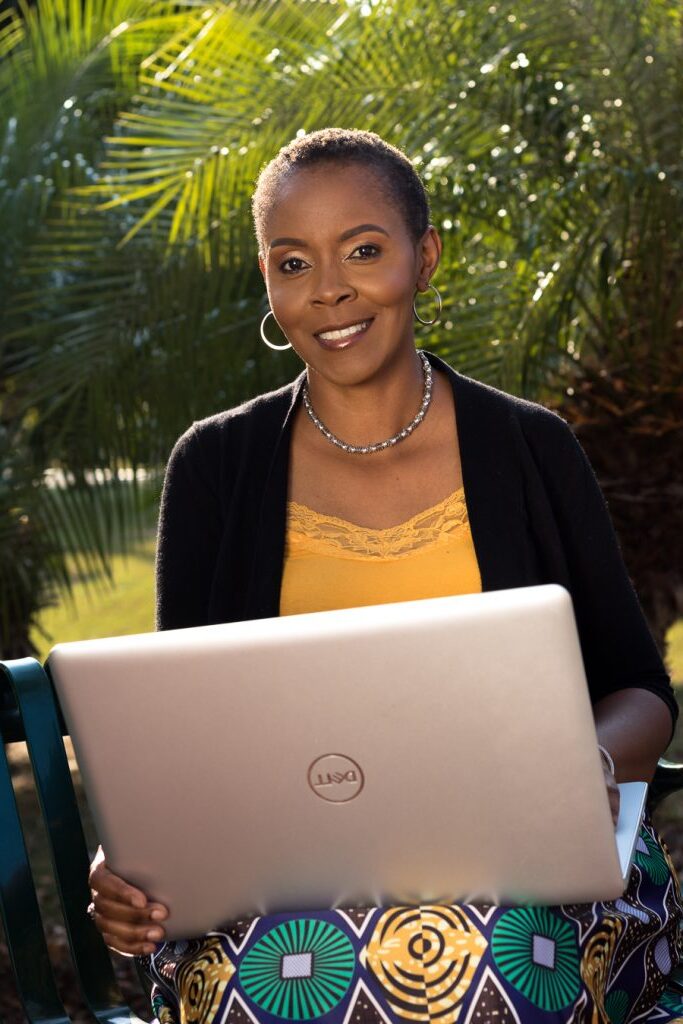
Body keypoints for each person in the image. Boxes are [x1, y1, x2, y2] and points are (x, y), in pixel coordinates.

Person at [89, 128, 683, 1024]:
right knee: (278, 983)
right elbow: (183, 735)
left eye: (362, 250)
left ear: (424, 255)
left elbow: (641, 690)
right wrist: (131, 859)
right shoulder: (215, 465)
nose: (328, 290)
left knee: (484, 964)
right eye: (293, 263)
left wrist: (579, 766)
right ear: (267, 280)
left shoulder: (528, 447)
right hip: (285, 887)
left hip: (527, 877)